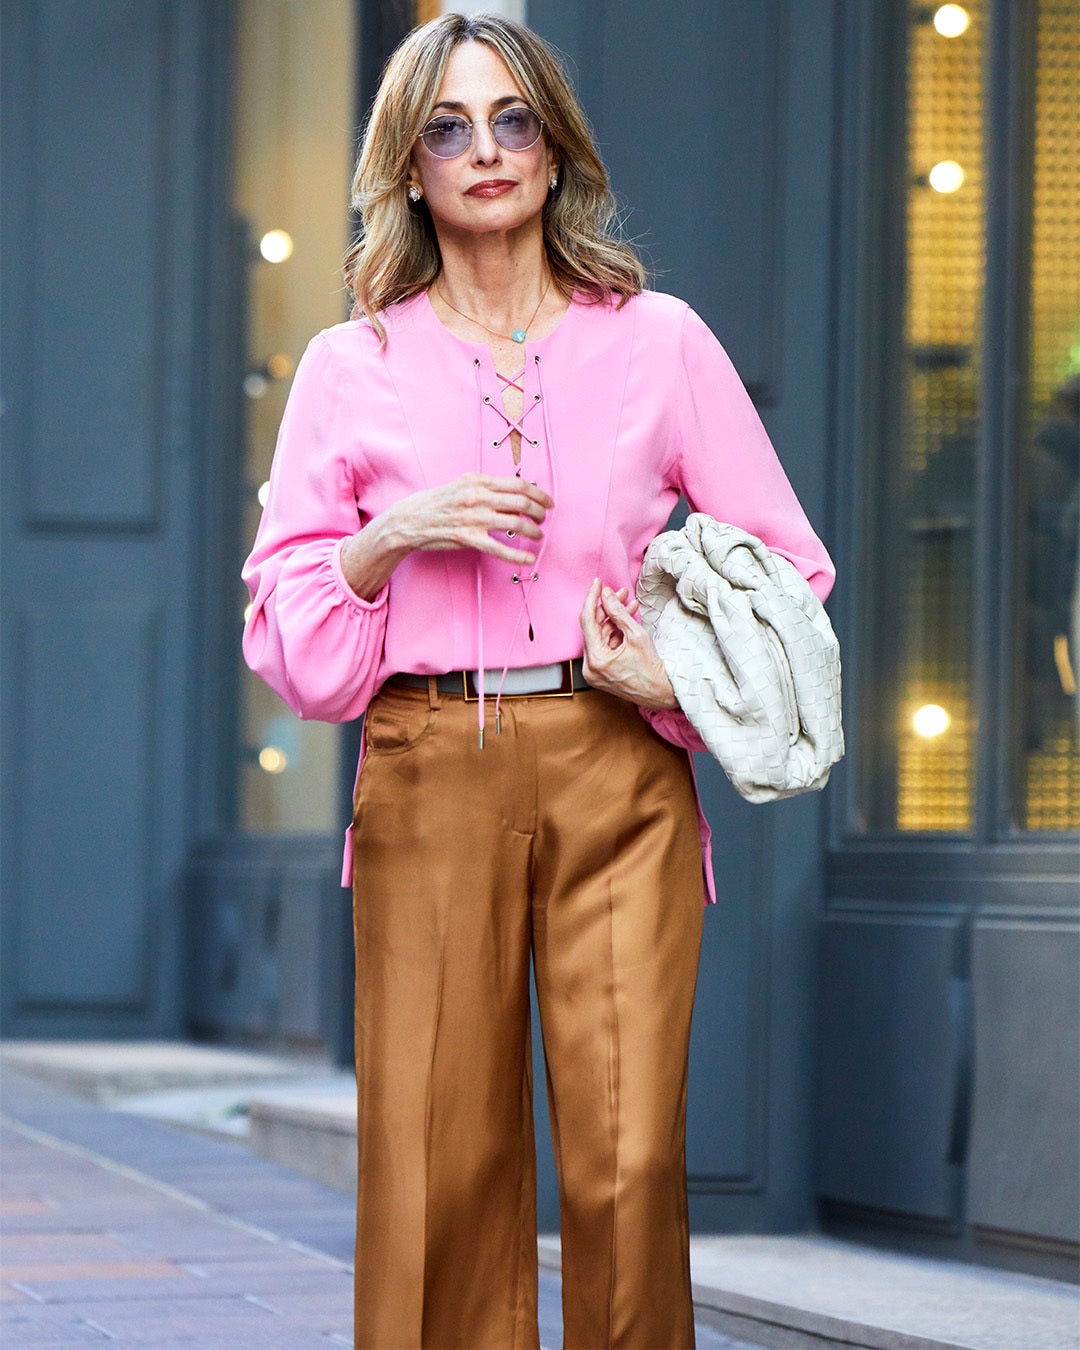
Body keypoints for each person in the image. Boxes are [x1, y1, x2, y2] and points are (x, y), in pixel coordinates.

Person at [242, 13, 834, 1349]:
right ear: (407, 166)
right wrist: (392, 537)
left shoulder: (659, 340)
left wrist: (664, 667)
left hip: (617, 767)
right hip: (428, 764)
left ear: (558, 149)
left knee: (627, 1163)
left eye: (514, 119)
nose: (486, 149)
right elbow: (288, 633)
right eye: (448, 126)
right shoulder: (352, 365)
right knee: (435, 1167)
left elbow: (790, 571)